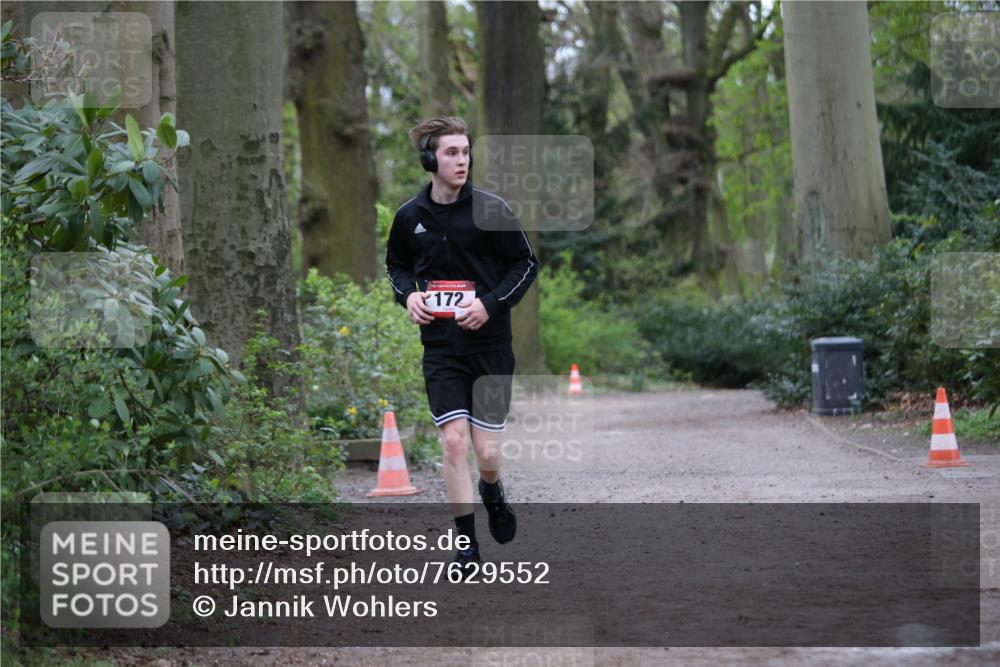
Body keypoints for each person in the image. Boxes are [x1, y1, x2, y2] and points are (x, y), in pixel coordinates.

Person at [385, 116, 537, 570]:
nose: (461, 160)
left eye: (466, 152)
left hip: (490, 347)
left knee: (486, 451)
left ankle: (491, 488)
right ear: (430, 160)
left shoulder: (492, 209)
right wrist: (408, 295)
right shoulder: (409, 216)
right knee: (454, 443)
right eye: (451, 153)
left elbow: (525, 265)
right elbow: (396, 267)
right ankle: (466, 545)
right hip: (441, 349)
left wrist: (490, 304)